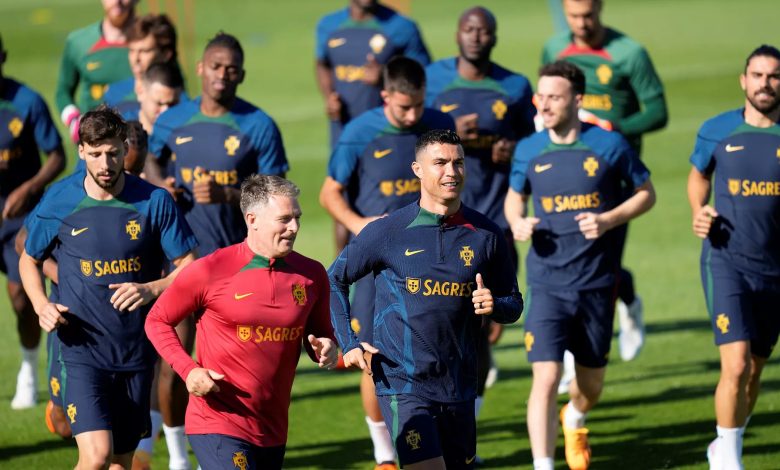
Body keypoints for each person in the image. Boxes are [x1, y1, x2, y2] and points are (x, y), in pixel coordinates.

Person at [330, 129, 523, 470]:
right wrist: (348, 342)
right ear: (417, 169)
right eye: (440, 163)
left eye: (458, 163)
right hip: (403, 383)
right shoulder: (387, 231)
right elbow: (333, 280)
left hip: (459, 384)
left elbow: (514, 304)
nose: (451, 172)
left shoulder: (487, 235)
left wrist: (495, 305)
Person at [19, 107, 197, 469]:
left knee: (119, 462)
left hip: (135, 351)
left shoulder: (154, 201)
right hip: (81, 351)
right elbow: (29, 258)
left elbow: (190, 265)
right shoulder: (60, 199)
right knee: (97, 455)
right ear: (81, 151)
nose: (105, 163)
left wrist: (152, 288)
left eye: (113, 153)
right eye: (96, 153)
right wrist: (40, 305)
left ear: (125, 148)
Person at [147, 31, 288, 469]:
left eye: (231, 69)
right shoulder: (173, 120)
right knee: (175, 360)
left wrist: (230, 195)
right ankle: (177, 458)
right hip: (185, 261)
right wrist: (163, 183)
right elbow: (149, 157)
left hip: (239, 265)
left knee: (245, 364)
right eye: (215, 66)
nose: (222, 75)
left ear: (241, 74)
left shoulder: (259, 125)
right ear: (200, 69)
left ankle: (241, 445)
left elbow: (277, 192)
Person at [504, 61, 655, 470]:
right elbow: (515, 197)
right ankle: (544, 464)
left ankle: (574, 417)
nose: (544, 105)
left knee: (590, 386)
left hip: (595, 283)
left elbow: (646, 193)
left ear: (577, 100)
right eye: (541, 97)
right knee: (546, 377)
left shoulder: (609, 145)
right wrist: (517, 221)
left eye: (554, 97)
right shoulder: (529, 149)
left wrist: (607, 220)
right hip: (546, 282)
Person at [145, 174, 338, 470]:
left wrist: (326, 347)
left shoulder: (312, 275)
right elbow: (157, 320)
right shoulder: (210, 269)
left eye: (297, 217)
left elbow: (321, 334)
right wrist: (188, 370)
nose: (294, 227)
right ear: (252, 220)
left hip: (272, 428)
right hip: (217, 420)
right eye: (284, 219)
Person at [319, 56, 453, 470]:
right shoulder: (359, 133)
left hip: (433, 257)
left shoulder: (438, 125)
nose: (413, 116)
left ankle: (444, 438)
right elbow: (329, 193)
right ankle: (383, 455)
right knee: (374, 354)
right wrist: (362, 226)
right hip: (379, 264)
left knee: (438, 346)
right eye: (404, 107)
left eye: (418, 105)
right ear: (385, 96)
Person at [424, 9, 535, 451]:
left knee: (484, 325)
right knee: (439, 317)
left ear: (494, 37)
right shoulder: (434, 80)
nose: (476, 37)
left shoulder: (515, 86)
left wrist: (515, 149)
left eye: (484, 30)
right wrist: (452, 134)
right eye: (469, 29)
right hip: (441, 220)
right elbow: (417, 140)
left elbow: (535, 142)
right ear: (457, 34)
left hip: (493, 221)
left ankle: (467, 426)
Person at [542, 0, 668, 363]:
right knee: (568, 258)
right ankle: (569, 356)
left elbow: (658, 111)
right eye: (573, 16)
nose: (581, 23)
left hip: (613, 175)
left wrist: (615, 128)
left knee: (604, 261)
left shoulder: (629, 53)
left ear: (600, 8)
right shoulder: (554, 48)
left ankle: (628, 303)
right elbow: (547, 97)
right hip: (566, 170)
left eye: (588, 15)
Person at [687, 44, 780, 470]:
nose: (765, 83)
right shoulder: (716, 130)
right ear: (744, 80)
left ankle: (724, 445)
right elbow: (698, 176)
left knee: (755, 369)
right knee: (737, 363)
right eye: (757, 75)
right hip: (726, 259)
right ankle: (728, 460)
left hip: (774, 269)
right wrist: (698, 209)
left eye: (774, 76)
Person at [315, 0, 431, 254]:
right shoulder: (328, 25)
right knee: (342, 201)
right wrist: (329, 96)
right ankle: (344, 269)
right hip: (345, 132)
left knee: (394, 201)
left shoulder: (401, 27)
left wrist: (384, 76)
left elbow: (423, 73)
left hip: (393, 134)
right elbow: (322, 63)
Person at [0, 34, 67, 410]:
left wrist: (28, 188)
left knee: (20, 296)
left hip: (17, 217)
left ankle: (28, 368)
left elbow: (57, 156)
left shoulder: (26, 102)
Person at [56, 0, 138, 143]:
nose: (117, 2)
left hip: (140, 144)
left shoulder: (152, 42)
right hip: (93, 144)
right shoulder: (78, 42)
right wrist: (74, 120)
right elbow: (63, 92)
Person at [104, 13, 180, 111]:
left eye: (144, 51)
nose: (135, 59)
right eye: (132, 50)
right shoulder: (114, 94)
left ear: (166, 54)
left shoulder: (179, 100)